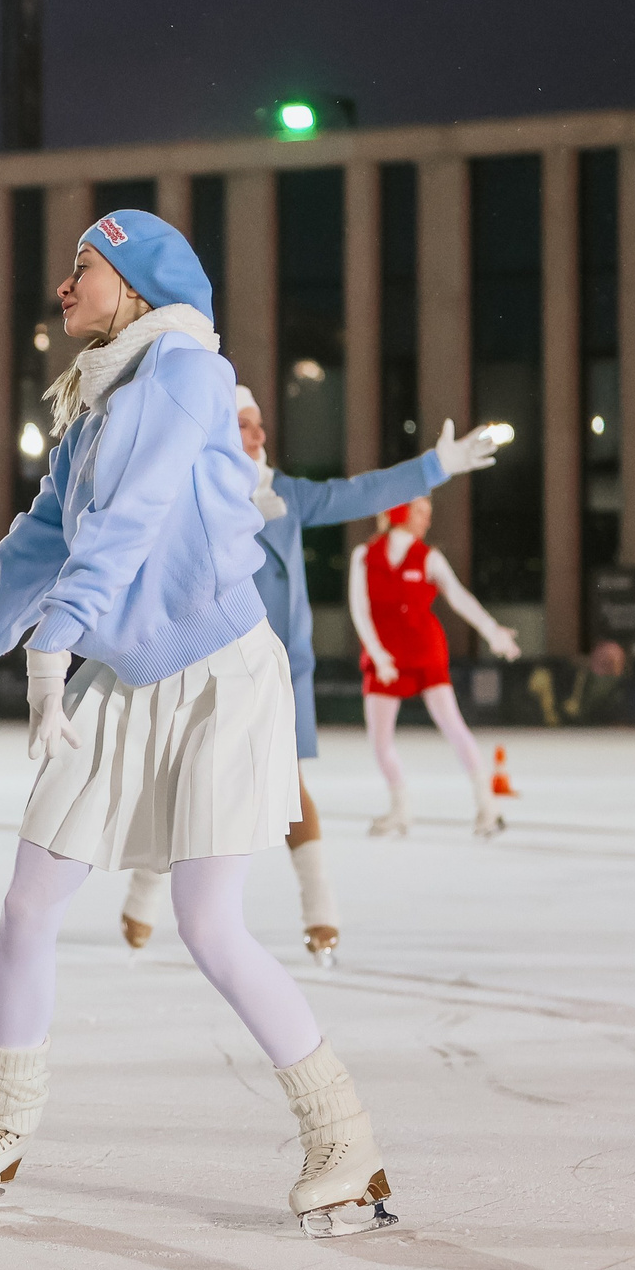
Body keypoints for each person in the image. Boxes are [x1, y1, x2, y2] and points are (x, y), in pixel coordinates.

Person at [0, 209, 396, 1238]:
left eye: (82, 266)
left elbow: (135, 517)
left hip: (220, 677)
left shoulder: (185, 374)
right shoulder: (93, 408)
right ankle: (1, 1124)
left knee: (209, 924)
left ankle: (342, 1136)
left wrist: (58, 640)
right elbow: (29, 552)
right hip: (122, 679)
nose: (63, 282)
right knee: (26, 902)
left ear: (135, 284)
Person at [117, 388, 499, 964]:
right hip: (209, 661)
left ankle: (320, 909)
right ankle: (146, 891)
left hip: (280, 667)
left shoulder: (286, 496)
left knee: (289, 788)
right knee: (186, 782)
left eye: (260, 425)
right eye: (244, 426)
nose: (258, 435)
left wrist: (435, 467)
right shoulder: (191, 495)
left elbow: (357, 494)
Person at [352, 497, 523, 838]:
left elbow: (459, 597)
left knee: (453, 726)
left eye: (429, 514)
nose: (427, 522)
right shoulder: (364, 556)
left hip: (424, 651)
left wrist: (491, 631)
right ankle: (401, 808)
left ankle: (487, 806)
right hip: (384, 656)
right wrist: (379, 655)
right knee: (379, 740)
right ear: (400, 512)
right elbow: (360, 610)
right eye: (421, 512)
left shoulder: (429, 557)